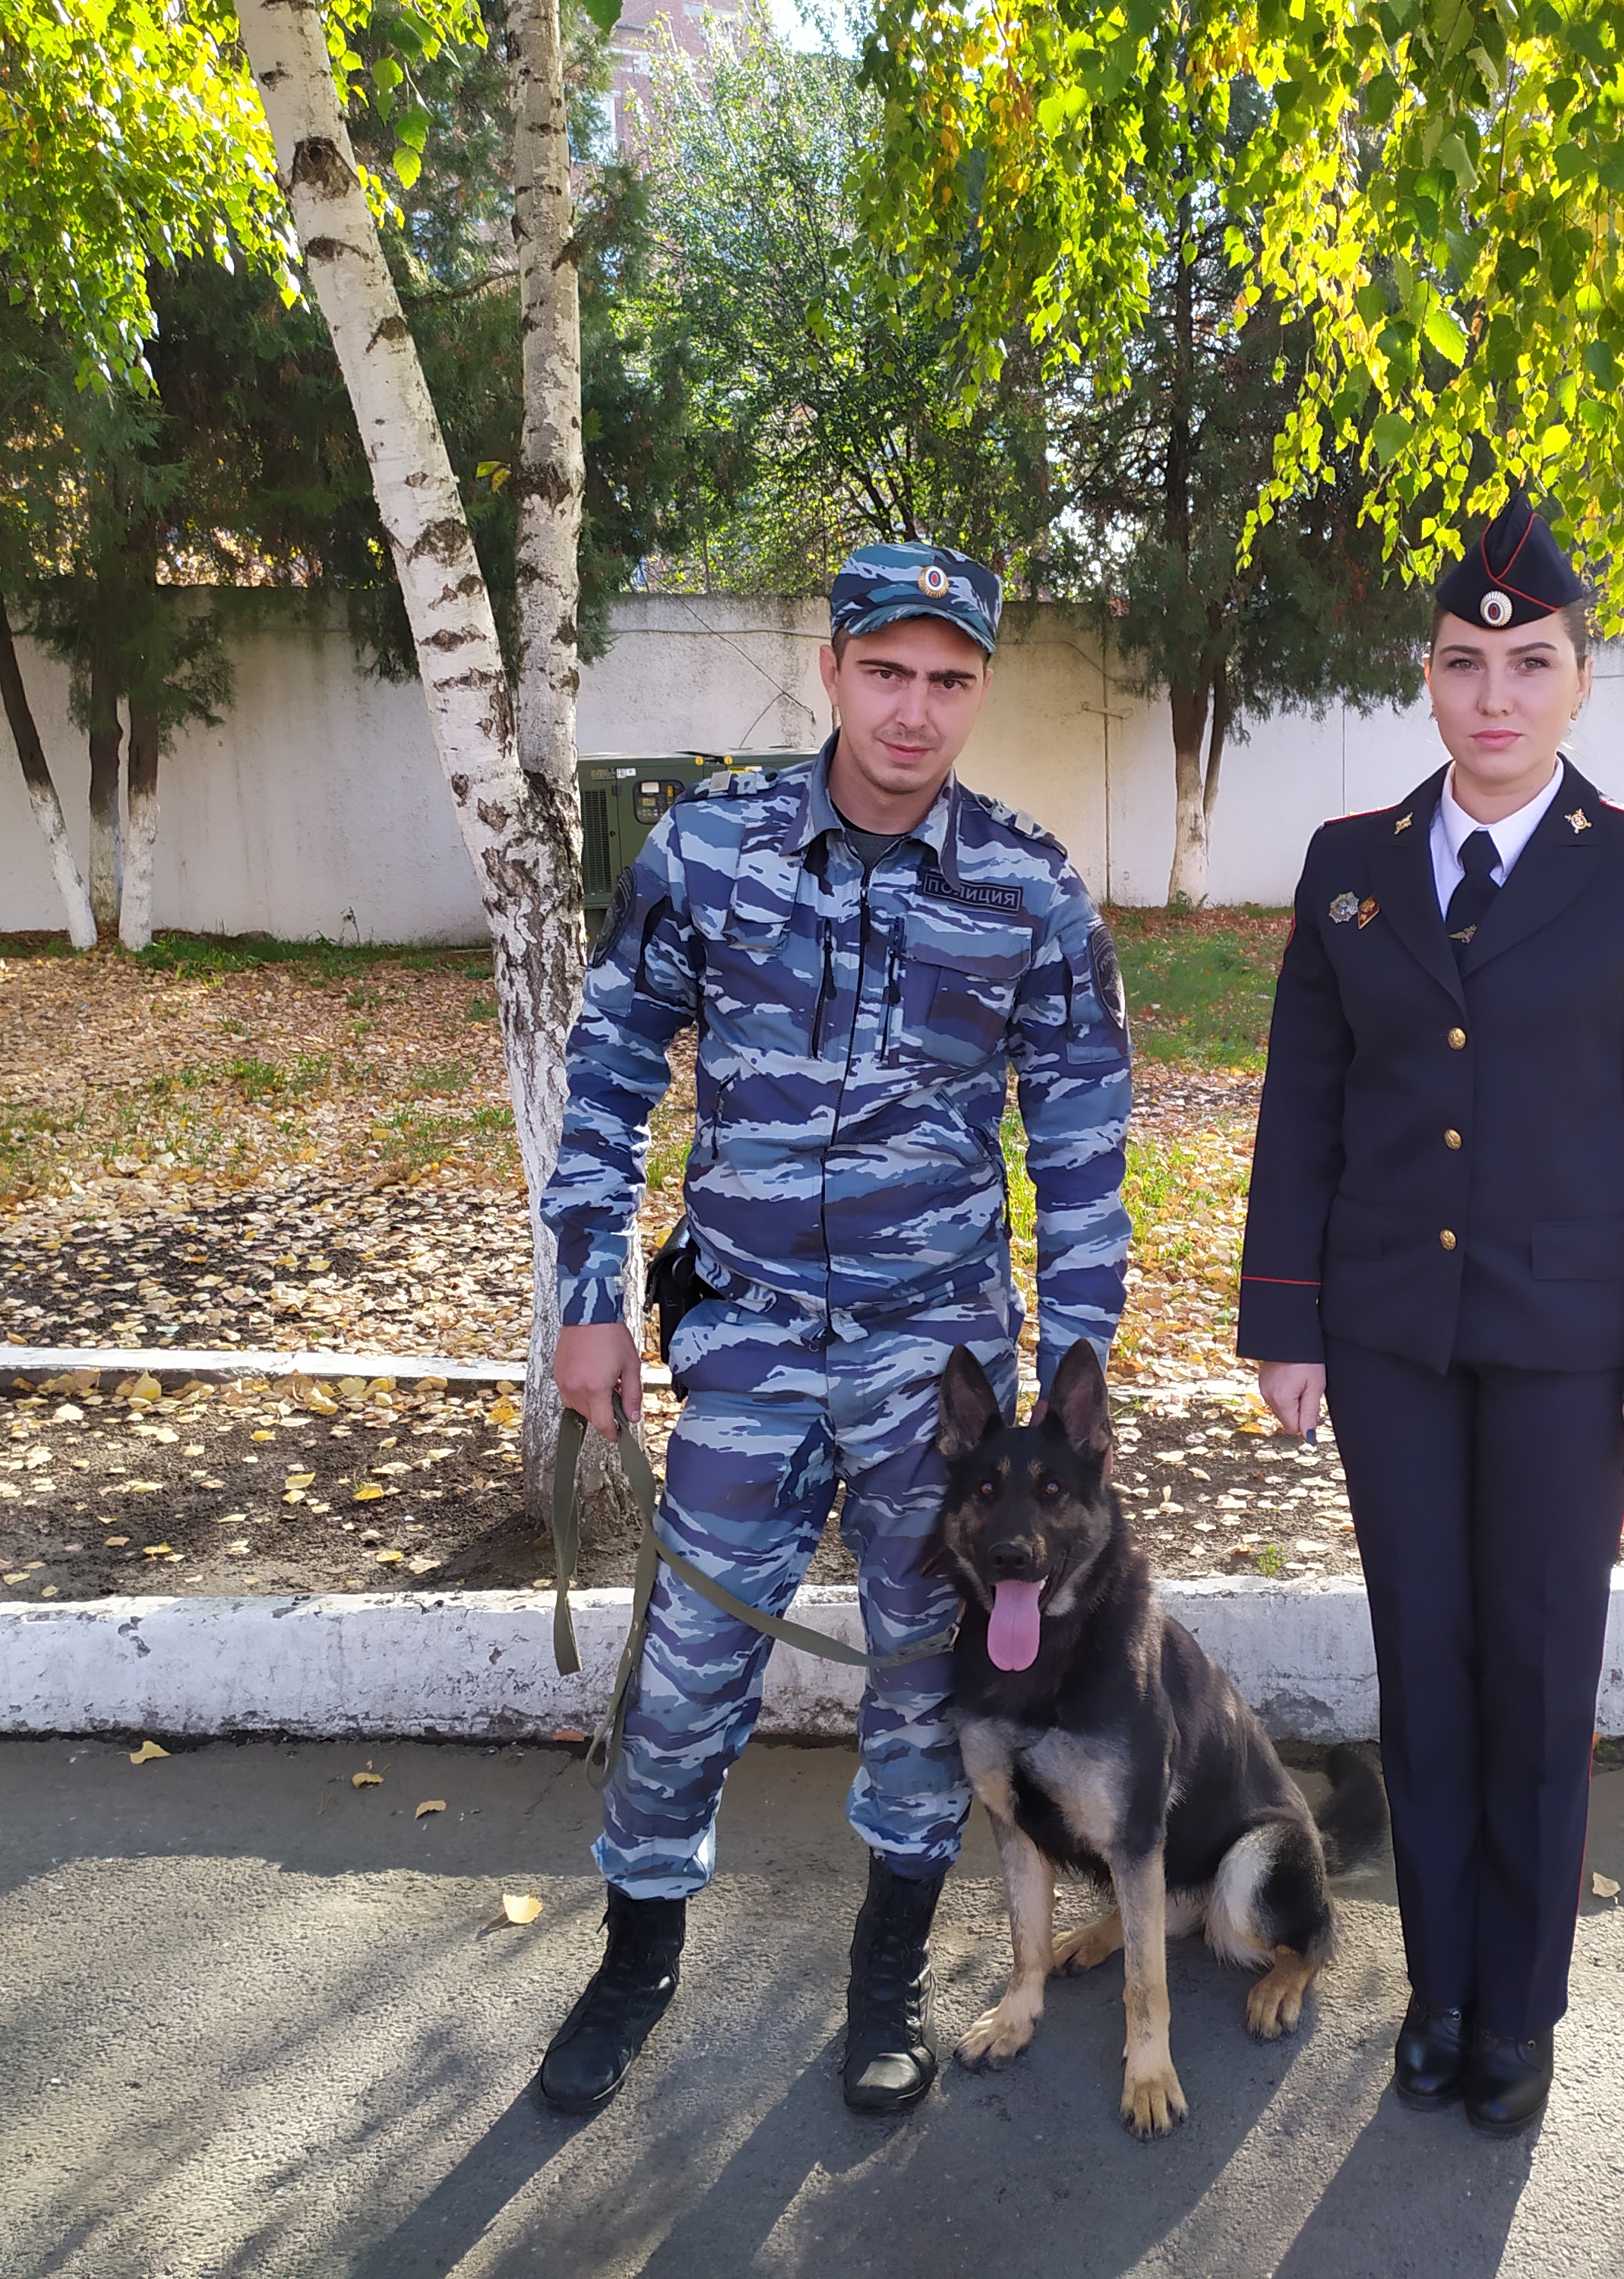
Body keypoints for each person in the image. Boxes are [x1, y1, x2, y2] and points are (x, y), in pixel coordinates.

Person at [532, 540, 1133, 2119]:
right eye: (887, 672)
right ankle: (635, 1957)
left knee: (929, 1680)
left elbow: (1078, 1130)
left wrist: (1070, 1392)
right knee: (686, 1667)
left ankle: (883, 1979)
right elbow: (605, 1075)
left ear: (977, 689)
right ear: (833, 669)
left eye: (947, 681)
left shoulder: (1022, 884)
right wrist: (586, 1306)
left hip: (933, 1371)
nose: (914, 712)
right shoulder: (708, 848)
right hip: (743, 1339)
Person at [1237, 498, 1624, 2137]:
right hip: (1385, 1333)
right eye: (1464, 663)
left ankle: (1515, 2008)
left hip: (1568, 1346)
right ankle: (1436, 1986)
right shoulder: (1349, 870)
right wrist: (1284, 1324)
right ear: (1427, 680)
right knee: (1422, 1664)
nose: (1494, 696)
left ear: (1580, 683)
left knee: (1532, 1673)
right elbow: (1302, 1102)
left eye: (1530, 665)